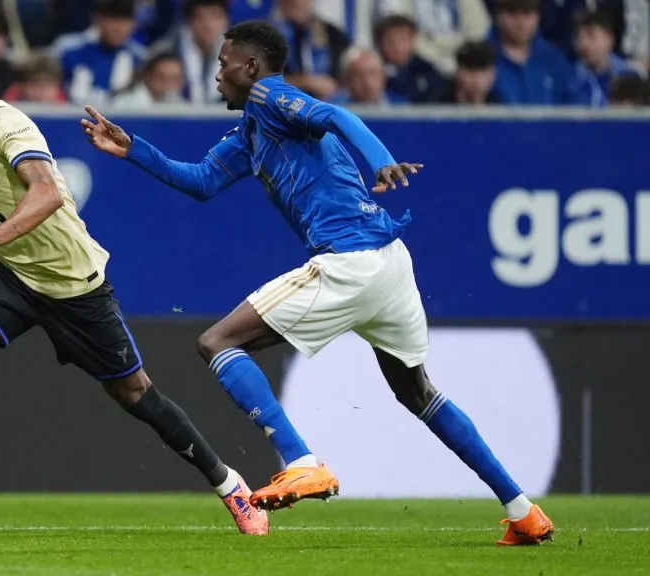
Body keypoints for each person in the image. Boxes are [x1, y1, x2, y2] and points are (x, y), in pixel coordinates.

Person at [81, 20, 555, 546]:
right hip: (390, 261)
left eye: (223, 63)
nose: (217, 74)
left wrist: (381, 161)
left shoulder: (269, 97)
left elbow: (336, 114)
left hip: (350, 260)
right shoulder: (250, 133)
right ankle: (523, 511)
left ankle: (301, 461)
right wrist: (133, 149)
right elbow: (201, 181)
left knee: (217, 342)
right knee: (418, 392)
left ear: (251, 68)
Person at [0, 53, 269, 537]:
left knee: (136, 394)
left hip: (74, 282)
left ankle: (230, 484)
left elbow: (46, 194)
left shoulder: (8, 125)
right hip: (13, 272)